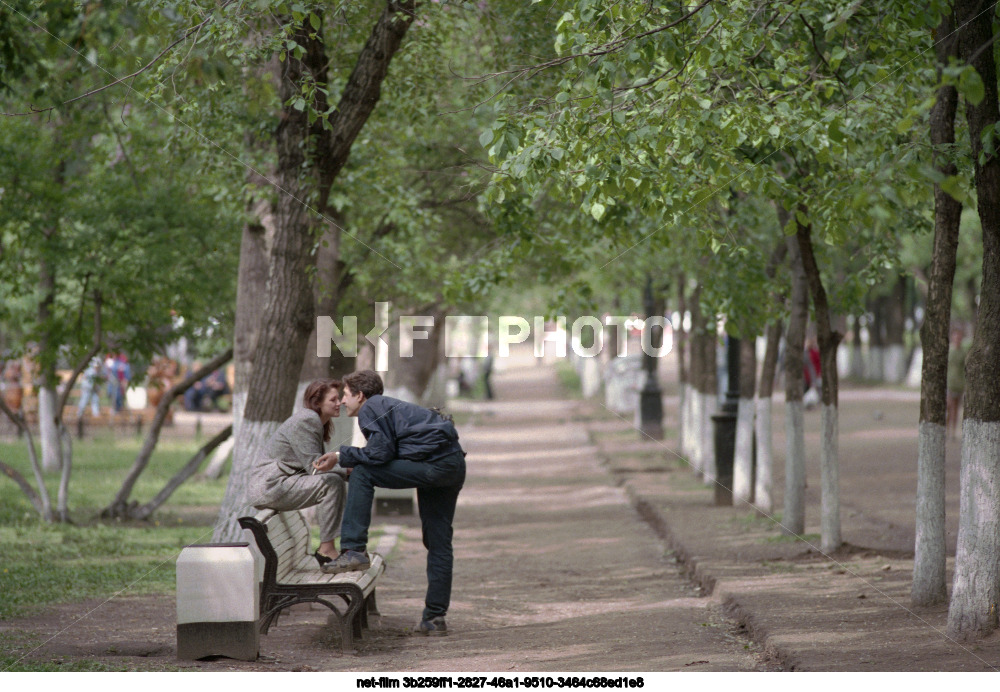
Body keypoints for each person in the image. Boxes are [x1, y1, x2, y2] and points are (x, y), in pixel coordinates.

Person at [313, 370, 466, 636]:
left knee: (362, 471)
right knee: (439, 542)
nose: (343, 403)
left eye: (346, 396)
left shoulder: (371, 407)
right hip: (451, 465)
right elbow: (388, 454)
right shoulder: (388, 407)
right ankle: (434, 617)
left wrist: (341, 455)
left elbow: (380, 453)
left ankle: (353, 550)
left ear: (360, 395)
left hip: (433, 466)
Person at [249, 379, 349, 565]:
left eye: (339, 398)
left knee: (334, 480)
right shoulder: (307, 420)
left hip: (279, 484)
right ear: (317, 402)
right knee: (332, 484)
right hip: (271, 486)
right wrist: (349, 470)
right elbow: (316, 468)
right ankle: (326, 549)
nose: (339, 403)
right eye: (333, 400)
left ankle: (330, 548)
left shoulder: (316, 421)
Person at [947, 326, 968, 440]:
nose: (957, 338)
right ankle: (946, 429)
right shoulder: (948, 351)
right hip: (949, 383)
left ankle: (952, 432)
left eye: (959, 336)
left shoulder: (963, 353)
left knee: (955, 409)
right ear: (952, 337)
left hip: (959, 384)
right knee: (948, 407)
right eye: (955, 335)